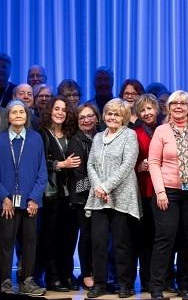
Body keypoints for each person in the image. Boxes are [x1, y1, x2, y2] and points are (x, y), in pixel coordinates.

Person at [148, 91, 188, 299]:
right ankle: (157, 285)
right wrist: (160, 192)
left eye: (183, 103)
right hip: (167, 193)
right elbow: (153, 162)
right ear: (168, 108)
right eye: (174, 103)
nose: (179, 106)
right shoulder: (161, 131)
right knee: (165, 238)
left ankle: (184, 284)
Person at [85, 98, 140, 298]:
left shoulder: (130, 135)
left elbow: (128, 165)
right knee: (98, 242)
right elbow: (90, 164)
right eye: (109, 113)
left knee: (121, 244)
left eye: (117, 114)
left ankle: (124, 284)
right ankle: (99, 284)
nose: (112, 117)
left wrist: (106, 186)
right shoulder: (98, 136)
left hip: (122, 196)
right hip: (98, 197)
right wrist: (99, 186)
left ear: (124, 116)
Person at [0, 100, 47, 295]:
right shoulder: (1, 139)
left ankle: (27, 280)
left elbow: (42, 172)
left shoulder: (36, 139)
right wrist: (3, 197)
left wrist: (35, 198)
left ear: (27, 116)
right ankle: (4, 281)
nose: (18, 115)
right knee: (5, 242)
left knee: (30, 242)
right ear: (8, 117)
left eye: (22, 112)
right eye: (14, 112)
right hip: (6, 202)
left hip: (30, 202)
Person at [37, 96, 80, 292]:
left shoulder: (72, 135)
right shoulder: (42, 134)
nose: (60, 112)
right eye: (57, 108)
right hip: (51, 194)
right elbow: (36, 165)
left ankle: (66, 275)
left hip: (71, 195)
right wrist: (60, 165)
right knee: (51, 237)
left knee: (69, 238)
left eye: (64, 109)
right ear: (50, 111)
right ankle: (52, 277)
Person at [66, 103, 100, 290]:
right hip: (82, 198)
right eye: (82, 117)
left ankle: (98, 273)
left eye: (89, 116)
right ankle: (86, 274)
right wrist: (100, 186)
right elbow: (79, 176)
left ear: (97, 117)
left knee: (99, 237)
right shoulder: (76, 141)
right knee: (86, 236)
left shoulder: (102, 136)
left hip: (101, 195)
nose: (86, 120)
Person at [131, 95, 160, 292]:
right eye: (143, 110)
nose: (147, 113)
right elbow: (126, 162)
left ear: (157, 109)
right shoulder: (134, 133)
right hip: (142, 190)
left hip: (163, 191)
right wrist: (137, 166)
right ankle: (147, 280)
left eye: (150, 108)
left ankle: (162, 278)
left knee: (161, 238)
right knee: (143, 238)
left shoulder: (166, 129)